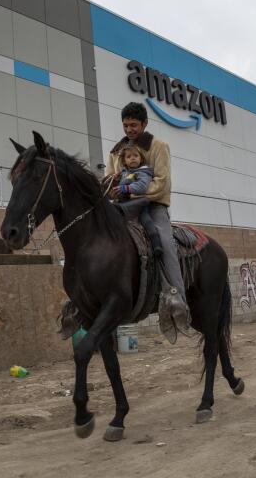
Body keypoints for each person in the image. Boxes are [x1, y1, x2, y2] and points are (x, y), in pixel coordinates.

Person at [105, 102, 190, 342]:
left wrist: (128, 191)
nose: (129, 129)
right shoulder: (116, 151)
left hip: (153, 206)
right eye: (125, 125)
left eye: (133, 125)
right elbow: (110, 179)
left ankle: (176, 298)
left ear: (144, 124)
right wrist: (110, 189)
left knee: (164, 240)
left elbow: (162, 183)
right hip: (122, 207)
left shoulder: (159, 146)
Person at [113, 144, 163, 258]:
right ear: (124, 161)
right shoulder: (124, 173)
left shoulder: (143, 172)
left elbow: (142, 186)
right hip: (124, 204)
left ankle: (157, 244)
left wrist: (125, 188)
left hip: (139, 206)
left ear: (141, 159)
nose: (133, 158)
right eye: (129, 156)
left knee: (147, 221)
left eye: (136, 155)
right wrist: (117, 180)